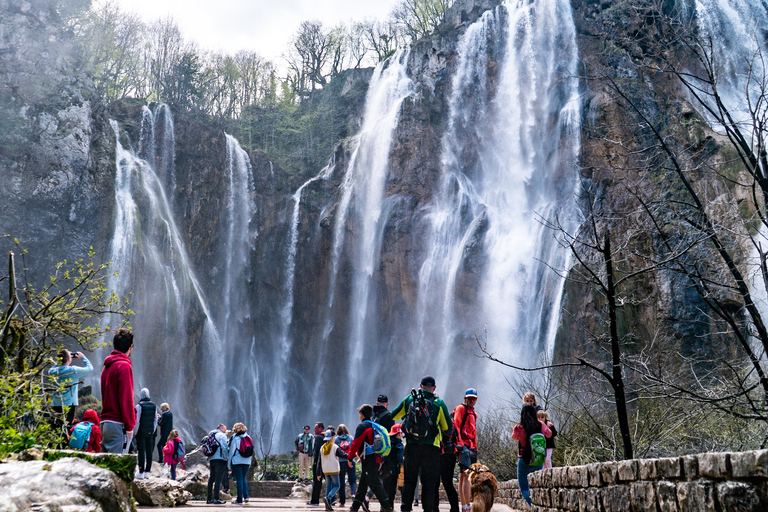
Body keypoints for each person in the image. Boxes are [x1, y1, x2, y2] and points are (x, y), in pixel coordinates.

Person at [391, 376, 452, 512]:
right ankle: (428, 509)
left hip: (412, 446)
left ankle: (405, 509)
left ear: (420, 386)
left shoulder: (409, 399)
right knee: (428, 483)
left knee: (409, 480)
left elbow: (393, 416)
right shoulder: (439, 403)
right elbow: (448, 426)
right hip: (432, 448)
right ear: (434, 388)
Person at [348, 404, 393, 512]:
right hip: (375, 458)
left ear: (362, 414)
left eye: (359, 413)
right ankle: (354, 507)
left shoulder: (363, 426)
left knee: (375, 483)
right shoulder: (374, 425)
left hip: (369, 460)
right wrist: (380, 460)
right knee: (363, 484)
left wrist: (350, 458)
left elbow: (355, 443)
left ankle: (387, 506)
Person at [100, 328, 135, 454]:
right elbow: (126, 399)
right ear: (130, 347)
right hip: (117, 424)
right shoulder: (124, 366)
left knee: (105, 466)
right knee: (114, 468)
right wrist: (130, 425)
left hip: (105, 423)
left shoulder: (107, 366)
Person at [512, 404, 552, 505]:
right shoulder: (540, 425)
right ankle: (539, 505)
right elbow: (549, 434)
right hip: (538, 459)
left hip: (524, 460)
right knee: (537, 486)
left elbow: (514, 437)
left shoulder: (519, 427)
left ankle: (532, 505)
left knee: (524, 488)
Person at [49, 349, 93, 428]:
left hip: (56, 404)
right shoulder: (73, 370)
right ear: (69, 359)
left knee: (56, 427)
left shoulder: (53, 371)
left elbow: (53, 368)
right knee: (67, 427)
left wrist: (60, 360)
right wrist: (83, 357)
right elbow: (90, 368)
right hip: (69, 405)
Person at [455, 389, 478, 512]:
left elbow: (474, 432)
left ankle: (464, 506)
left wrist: (475, 447)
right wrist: (459, 443)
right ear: (465, 398)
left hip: (471, 447)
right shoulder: (461, 409)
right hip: (463, 446)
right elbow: (457, 426)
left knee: (463, 475)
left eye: (473, 398)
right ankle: (466, 506)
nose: (471, 400)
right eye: (469, 398)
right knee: (466, 475)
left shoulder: (474, 413)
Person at [434, 414, 458, 512]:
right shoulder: (451, 421)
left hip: (437, 454)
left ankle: (434, 508)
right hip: (450, 454)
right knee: (448, 483)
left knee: (435, 483)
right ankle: (455, 508)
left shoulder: (434, 420)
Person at [133, 388, 158, 479]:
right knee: (149, 451)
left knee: (141, 451)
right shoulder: (154, 405)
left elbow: (137, 421)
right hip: (150, 432)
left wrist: (136, 431)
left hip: (141, 432)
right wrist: (153, 430)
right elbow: (155, 420)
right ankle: (147, 472)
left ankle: (141, 472)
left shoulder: (139, 406)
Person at [319, 428, 344, 511]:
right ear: (333, 437)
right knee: (337, 485)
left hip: (325, 470)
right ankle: (328, 497)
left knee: (328, 486)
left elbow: (319, 460)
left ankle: (328, 505)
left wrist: (319, 472)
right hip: (334, 469)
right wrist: (351, 456)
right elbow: (342, 455)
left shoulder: (322, 447)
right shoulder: (334, 447)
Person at [228, 422, 253, 504]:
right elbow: (251, 451)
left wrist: (229, 465)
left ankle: (239, 499)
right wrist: (249, 462)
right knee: (243, 478)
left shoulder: (235, 438)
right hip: (246, 461)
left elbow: (231, 452)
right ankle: (246, 497)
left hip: (237, 461)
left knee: (239, 479)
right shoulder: (248, 437)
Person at [206, 423, 229, 504]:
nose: (225, 431)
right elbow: (224, 448)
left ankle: (209, 498)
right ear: (221, 427)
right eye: (225, 429)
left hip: (211, 459)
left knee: (211, 478)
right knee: (218, 479)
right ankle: (216, 498)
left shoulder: (210, 434)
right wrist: (226, 458)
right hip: (220, 459)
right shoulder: (222, 435)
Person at [335, 424, 357, 508]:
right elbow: (354, 448)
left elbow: (336, 452)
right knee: (353, 480)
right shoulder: (351, 438)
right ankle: (354, 494)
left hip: (341, 462)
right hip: (351, 461)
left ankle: (342, 502)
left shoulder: (336, 439)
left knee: (341, 481)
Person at [386, 423, 405, 507]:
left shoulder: (387, 443)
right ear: (399, 433)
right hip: (394, 470)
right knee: (392, 490)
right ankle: (390, 507)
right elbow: (400, 459)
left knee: (385, 488)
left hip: (385, 469)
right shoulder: (399, 445)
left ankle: (384, 506)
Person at [309, 422, 325, 506]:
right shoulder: (326, 437)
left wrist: (315, 461)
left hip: (318, 462)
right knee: (328, 480)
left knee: (316, 481)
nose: (314, 430)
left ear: (320, 428)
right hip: (326, 462)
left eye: (315, 428)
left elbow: (318, 450)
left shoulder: (319, 438)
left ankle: (314, 500)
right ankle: (332, 499)